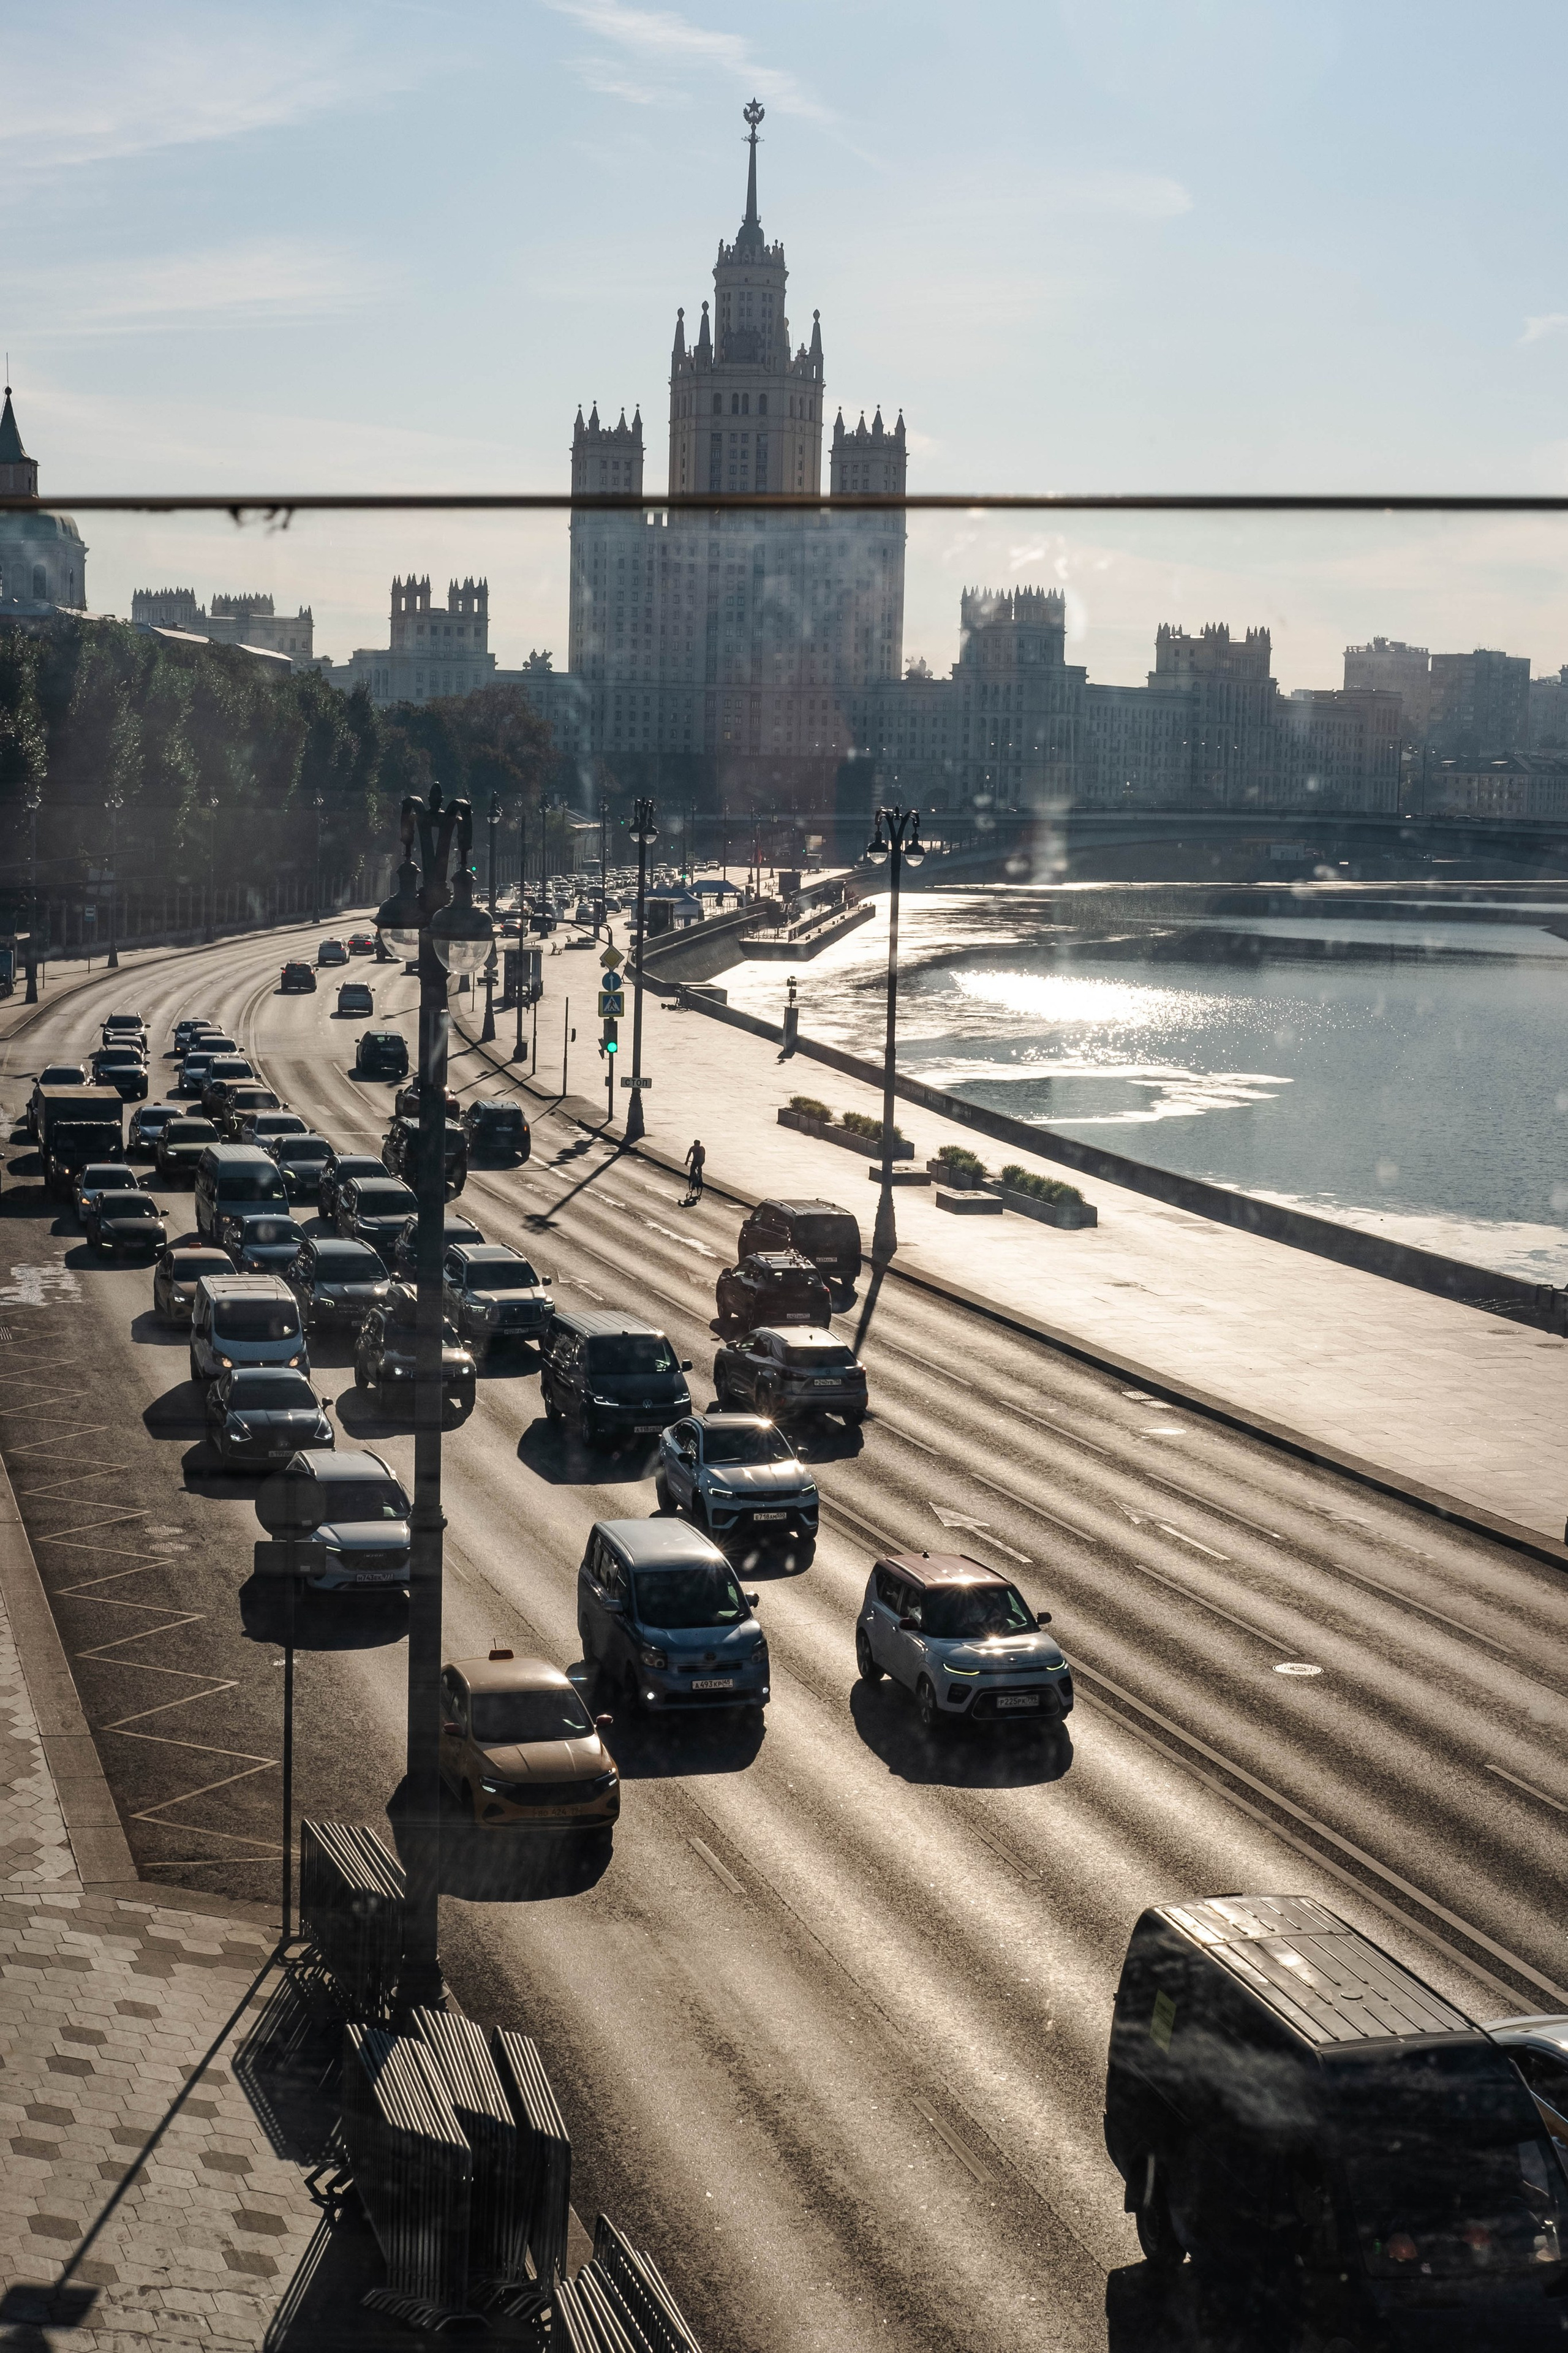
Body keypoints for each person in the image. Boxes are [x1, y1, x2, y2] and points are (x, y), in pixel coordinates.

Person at [684, 1137, 706, 1204]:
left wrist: (687, 1161)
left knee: (692, 1171)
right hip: (701, 1161)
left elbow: (689, 1155)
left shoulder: (693, 1148)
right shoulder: (702, 1148)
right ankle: (700, 1179)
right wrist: (701, 1163)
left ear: (694, 1143)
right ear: (699, 1144)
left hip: (695, 1161)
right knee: (699, 1170)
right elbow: (704, 1156)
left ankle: (693, 1183)